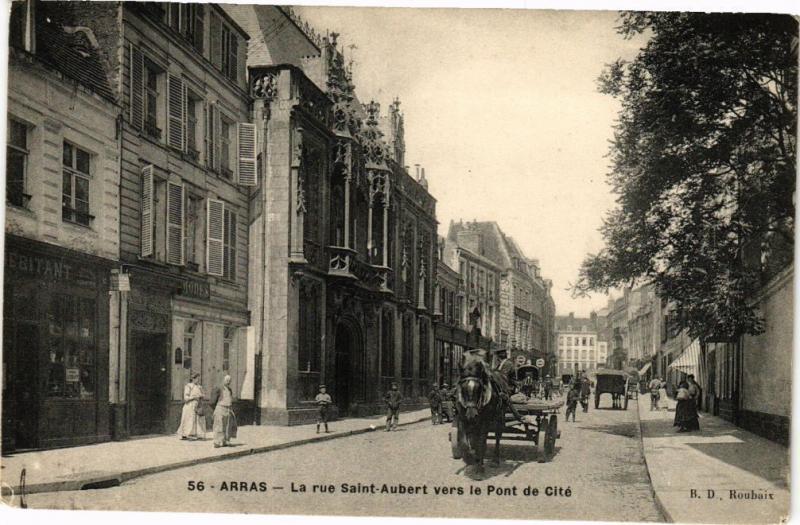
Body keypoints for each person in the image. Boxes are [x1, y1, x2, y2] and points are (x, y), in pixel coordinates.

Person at [177, 372, 206, 440]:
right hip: (190, 405)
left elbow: (203, 395)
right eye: (196, 378)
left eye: (198, 378)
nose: (198, 380)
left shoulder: (199, 387)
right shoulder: (189, 386)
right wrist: (193, 397)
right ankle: (186, 434)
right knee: (189, 419)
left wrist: (201, 396)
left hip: (198, 405)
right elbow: (186, 397)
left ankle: (197, 434)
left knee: (198, 420)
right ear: (193, 379)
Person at [210, 375, 236, 448]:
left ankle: (225, 441)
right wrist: (216, 409)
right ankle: (217, 442)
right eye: (227, 380)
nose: (228, 382)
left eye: (229, 381)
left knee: (227, 425)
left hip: (228, 409)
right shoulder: (218, 388)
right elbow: (212, 401)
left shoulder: (229, 390)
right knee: (218, 425)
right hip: (220, 408)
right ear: (223, 380)